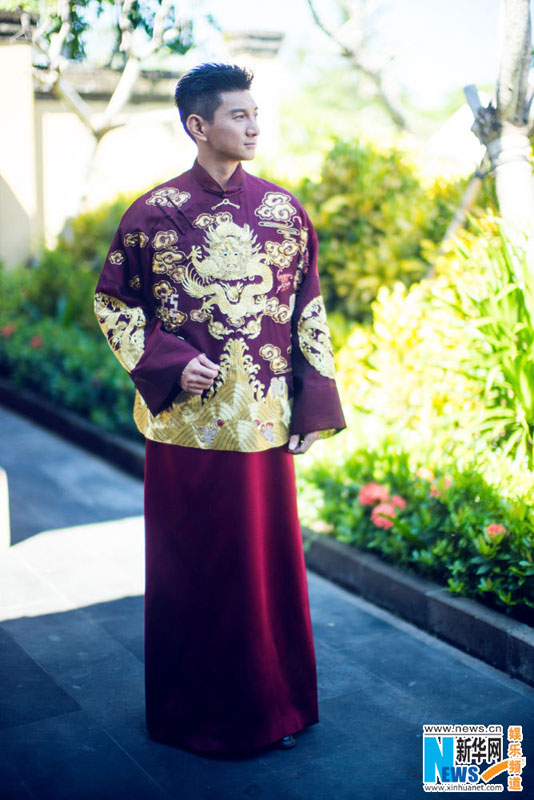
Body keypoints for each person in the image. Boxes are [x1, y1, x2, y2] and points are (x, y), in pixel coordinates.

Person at [94, 62, 345, 755]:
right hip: (185, 427)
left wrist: (313, 405)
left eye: (257, 112)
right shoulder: (153, 214)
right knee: (190, 570)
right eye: (239, 115)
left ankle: (275, 708)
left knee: (263, 573)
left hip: (262, 423)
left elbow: (308, 312)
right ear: (198, 125)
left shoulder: (285, 212)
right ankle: (188, 714)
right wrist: (171, 363)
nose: (254, 125)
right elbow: (114, 305)